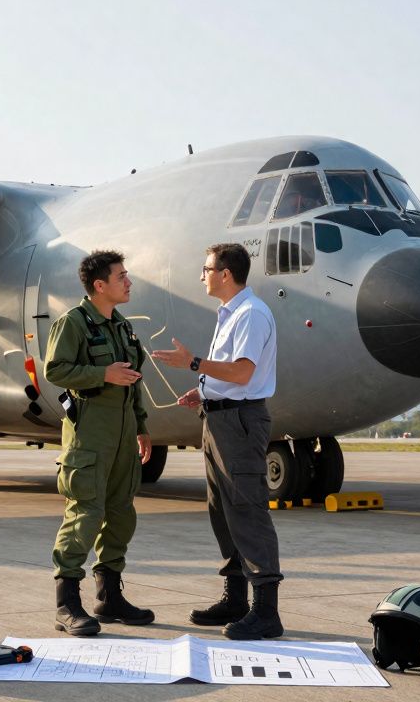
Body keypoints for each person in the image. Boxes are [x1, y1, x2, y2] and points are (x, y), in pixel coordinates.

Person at [150, 242, 283, 640]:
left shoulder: (251, 314)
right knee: (222, 511)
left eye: (206, 268)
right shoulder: (231, 313)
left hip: (240, 424)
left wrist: (193, 363)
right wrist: (204, 391)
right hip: (219, 418)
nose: (203, 275)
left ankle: (266, 612)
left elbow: (243, 373)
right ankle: (236, 598)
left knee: (247, 510)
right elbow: (230, 376)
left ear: (225, 273)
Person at [45, 249, 156, 636]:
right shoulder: (73, 323)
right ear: (99, 285)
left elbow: (133, 380)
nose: (128, 282)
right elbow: (55, 370)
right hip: (90, 433)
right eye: (121, 276)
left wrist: (142, 426)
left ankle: (109, 596)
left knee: (121, 513)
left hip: (124, 433)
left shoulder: (122, 327)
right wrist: (101, 373)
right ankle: (67, 604)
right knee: (85, 514)